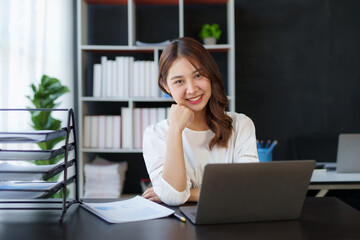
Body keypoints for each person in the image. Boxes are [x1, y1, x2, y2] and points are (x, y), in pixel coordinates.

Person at [142, 37, 258, 206]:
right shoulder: (155, 135)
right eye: (179, 81)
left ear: (210, 74)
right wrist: (175, 130)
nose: (192, 89)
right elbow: (174, 197)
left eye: (198, 75)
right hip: (178, 229)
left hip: (232, 225)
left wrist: (187, 194)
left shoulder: (241, 125)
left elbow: (249, 188)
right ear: (165, 86)